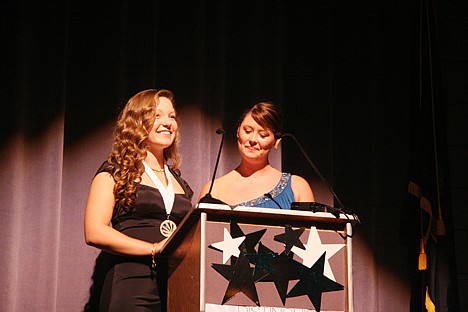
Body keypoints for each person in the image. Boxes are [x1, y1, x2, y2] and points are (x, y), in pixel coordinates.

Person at [84, 89, 193, 311]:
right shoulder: (115, 173)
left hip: (176, 289)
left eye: (171, 116)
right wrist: (153, 248)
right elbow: (94, 231)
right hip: (132, 287)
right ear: (136, 122)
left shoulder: (179, 183)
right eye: (157, 115)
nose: (168, 122)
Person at [198, 101, 314, 208]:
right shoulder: (213, 190)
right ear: (238, 131)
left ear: (276, 141)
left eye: (263, 135)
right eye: (247, 131)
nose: (253, 139)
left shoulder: (297, 188)